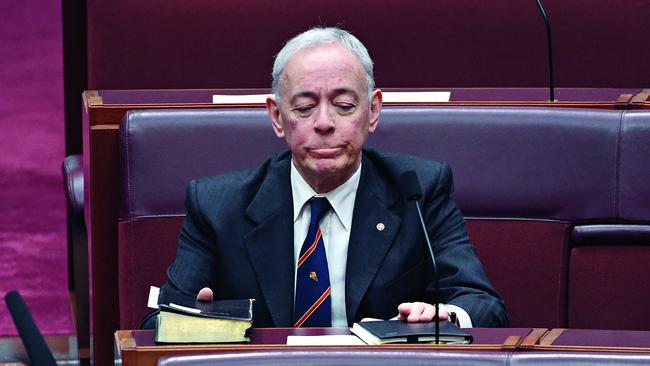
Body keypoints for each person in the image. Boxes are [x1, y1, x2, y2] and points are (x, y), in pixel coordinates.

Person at [150, 27, 508, 328]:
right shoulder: (217, 205)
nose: (324, 122)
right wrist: (191, 321)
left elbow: (482, 304)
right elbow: (156, 323)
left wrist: (444, 315)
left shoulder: (419, 191)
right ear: (277, 117)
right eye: (305, 107)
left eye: (344, 105)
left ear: (372, 111)